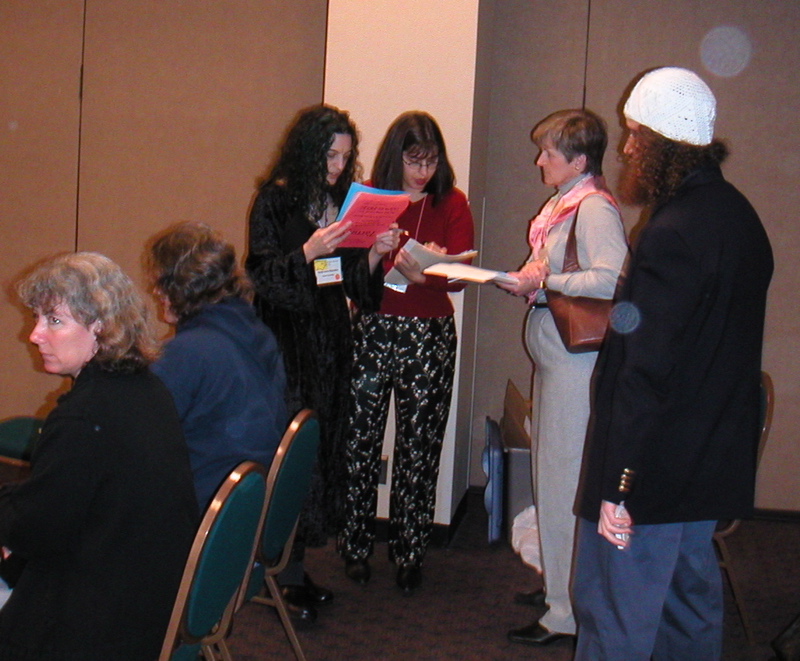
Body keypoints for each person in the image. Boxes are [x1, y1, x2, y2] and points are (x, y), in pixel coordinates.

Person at [572, 67, 773, 660]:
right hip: (704, 470)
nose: (628, 147)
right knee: (688, 621)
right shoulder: (740, 219)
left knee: (614, 621)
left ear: (666, 141)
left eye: (636, 134)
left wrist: (618, 486)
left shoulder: (673, 232)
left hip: (652, 475)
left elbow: (646, 373)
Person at [2, 252, 198, 661]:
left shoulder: (84, 415)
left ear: (101, 328)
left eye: (54, 320)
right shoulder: (145, 388)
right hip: (148, 594)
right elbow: (58, 505)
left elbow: (34, 532)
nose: (35, 335)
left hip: (97, 626)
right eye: (38, 318)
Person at [246, 104, 398, 621]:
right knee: (292, 455)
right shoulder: (276, 199)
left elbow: (345, 281)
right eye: (332, 156)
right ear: (310, 150)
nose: (339, 167)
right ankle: (278, 574)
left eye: (345, 157)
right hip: (288, 346)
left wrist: (374, 254)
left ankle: (294, 568)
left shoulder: (338, 201)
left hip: (331, 341)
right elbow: (264, 277)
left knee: (320, 451)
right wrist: (308, 251)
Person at [498, 109, 628, 645]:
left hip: (576, 365)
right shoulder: (564, 203)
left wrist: (545, 276)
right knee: (548, 474)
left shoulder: (593, 208)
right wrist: (530, 278)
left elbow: (615, 275)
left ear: (578, 159)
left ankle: (565, 613)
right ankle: (558, 586)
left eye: (548, 152)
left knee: (560, 478)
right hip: (557, 359)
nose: (539, 160)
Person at [337, 111, 474, 593]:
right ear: (395, 158)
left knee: (419, 445)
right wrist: (377, 253)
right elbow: (338, 271)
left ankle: (409, 550)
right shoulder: (369, 197)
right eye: (414, 161)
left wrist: (426, 269)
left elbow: (461, 275)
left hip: (429, 333)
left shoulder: (451, 201)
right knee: (359, 441)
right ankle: (354, 546)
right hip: (373, 327)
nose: (422, 172)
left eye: (431, 161)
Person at [148, 221, 287, 512]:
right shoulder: (254, 331)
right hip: (248, 501)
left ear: (181, 286)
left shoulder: (190, 352)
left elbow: (138, 437)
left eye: (160, 281)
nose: (154, 290)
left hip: (206, 504)